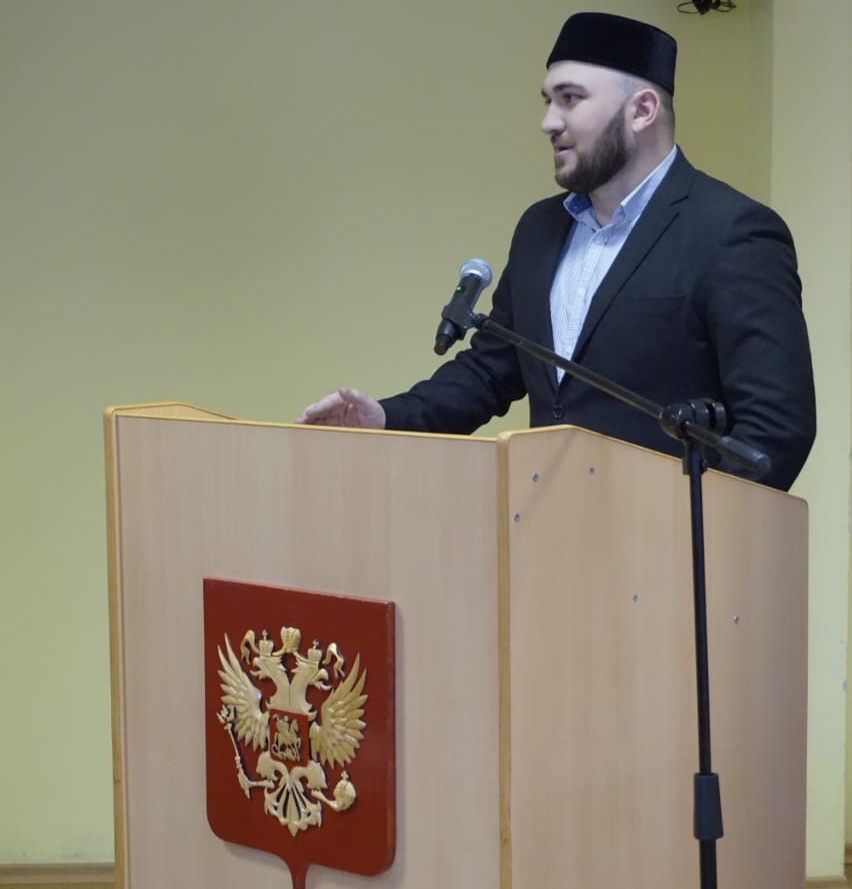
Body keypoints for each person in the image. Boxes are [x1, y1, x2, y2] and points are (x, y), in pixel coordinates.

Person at [297, 11, 816, 491]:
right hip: (546, 536)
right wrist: (387, 418)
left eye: (570, 99)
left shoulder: (730, 232)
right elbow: (489, 372)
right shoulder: (540, 229)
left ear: (641, 110)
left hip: (676, 548)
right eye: (548, 100)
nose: (548, 121)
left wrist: (685, 535)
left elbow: (775, 431)